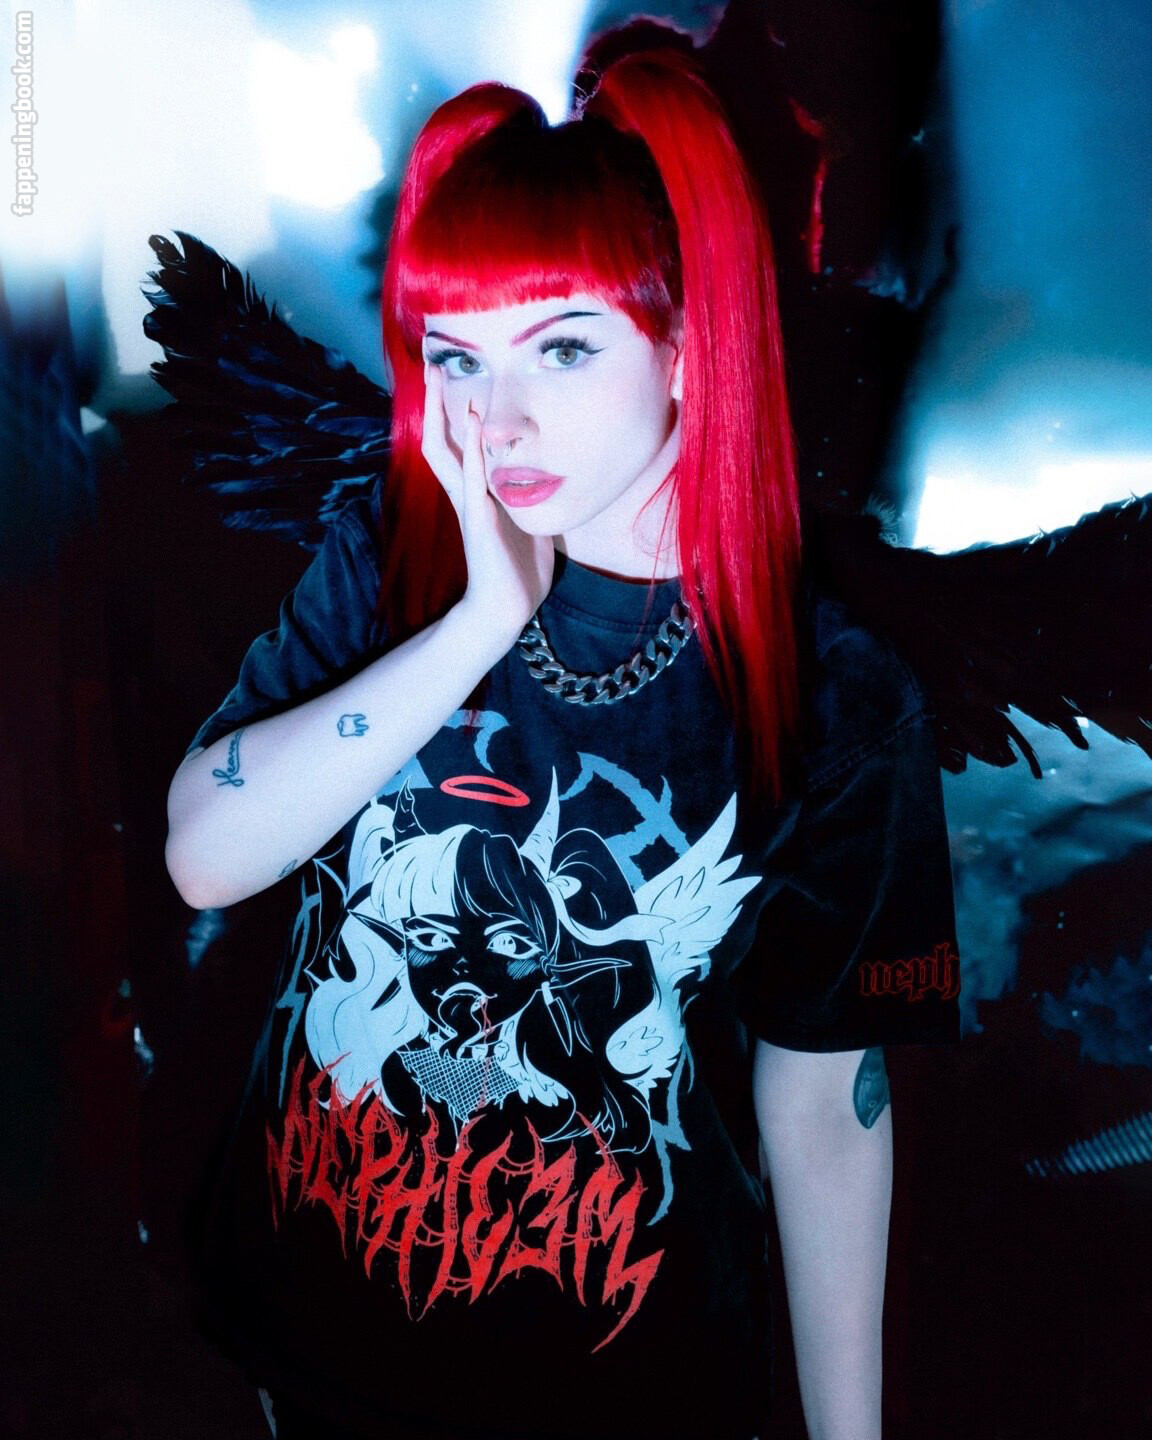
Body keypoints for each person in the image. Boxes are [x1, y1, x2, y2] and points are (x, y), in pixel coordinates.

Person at [165, 27, 960, 1440]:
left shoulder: (838, 698)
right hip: (313, 1320)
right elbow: (206, 856)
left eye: (565, 347)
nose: (498, 418)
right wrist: (479, 619)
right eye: (456, 358)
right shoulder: (396, 553)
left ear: (689, 347)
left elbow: (826, 1107)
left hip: (619, 1369)